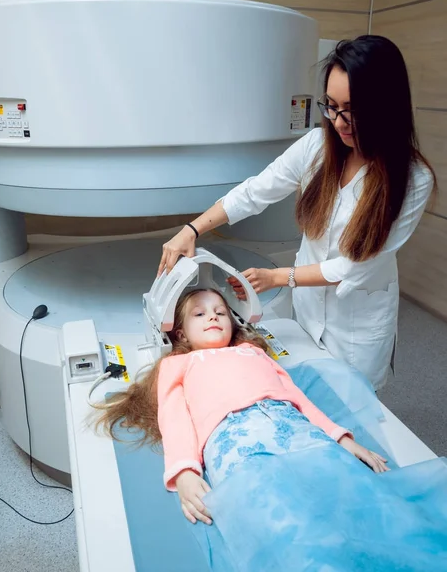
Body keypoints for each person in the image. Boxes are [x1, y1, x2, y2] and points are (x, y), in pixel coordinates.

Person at [157, 35, 437, 391]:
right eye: (331, 106)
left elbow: (352, 268)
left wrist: (279, 278)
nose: (338, 122)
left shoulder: (413, 179)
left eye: (352, 109)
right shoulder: (316, 148)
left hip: (358, 326)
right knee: (304, 391)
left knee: (354, 411)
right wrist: (192, 230)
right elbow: (255, 191)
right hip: (306, 310)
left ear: (385, 106)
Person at [96, 288, 388, 526]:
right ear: (181, 334)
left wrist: (340, 437)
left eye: (220, 312)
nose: (212, 316)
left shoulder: (252, 352)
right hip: (233, 435)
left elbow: (297, 397)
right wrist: (184, 471)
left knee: (342, 485)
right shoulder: (178, 363)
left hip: (289, 423)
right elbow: (174, 418)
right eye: (200, 313)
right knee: (271, 508)